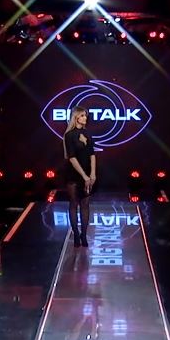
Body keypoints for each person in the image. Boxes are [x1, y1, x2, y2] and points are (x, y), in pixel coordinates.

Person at [63, 106, 96, 248]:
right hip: (73, 174)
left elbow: (92, 154)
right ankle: (76, 234)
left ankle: (84, 235)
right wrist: (83, 176)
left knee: (85, 204)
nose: (85, 118)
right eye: (82, 115)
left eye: (85, 115)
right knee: (73, 203)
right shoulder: (69, 135)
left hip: (87, 172)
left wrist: (92, 173)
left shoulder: (87, 133)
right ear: (76, 117)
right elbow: (71, 157)